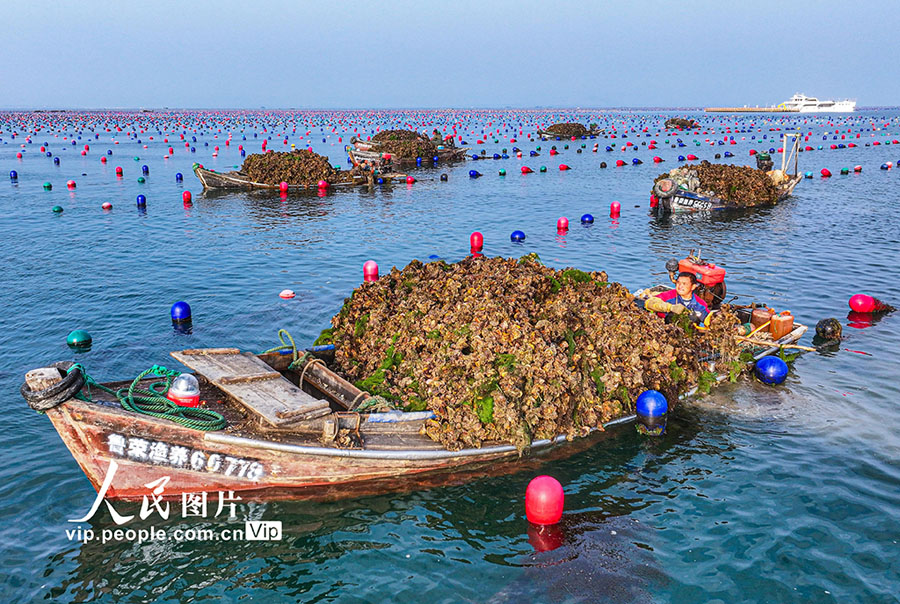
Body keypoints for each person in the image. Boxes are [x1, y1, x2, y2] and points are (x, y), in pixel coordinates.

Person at [644, 272, 709, 322]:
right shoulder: (669, 295)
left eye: (684, 284)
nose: (680, 286)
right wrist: (670, 307)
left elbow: (708, 321)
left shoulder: (701, 305)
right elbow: (649, 303)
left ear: (693, 287)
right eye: (678, 283)